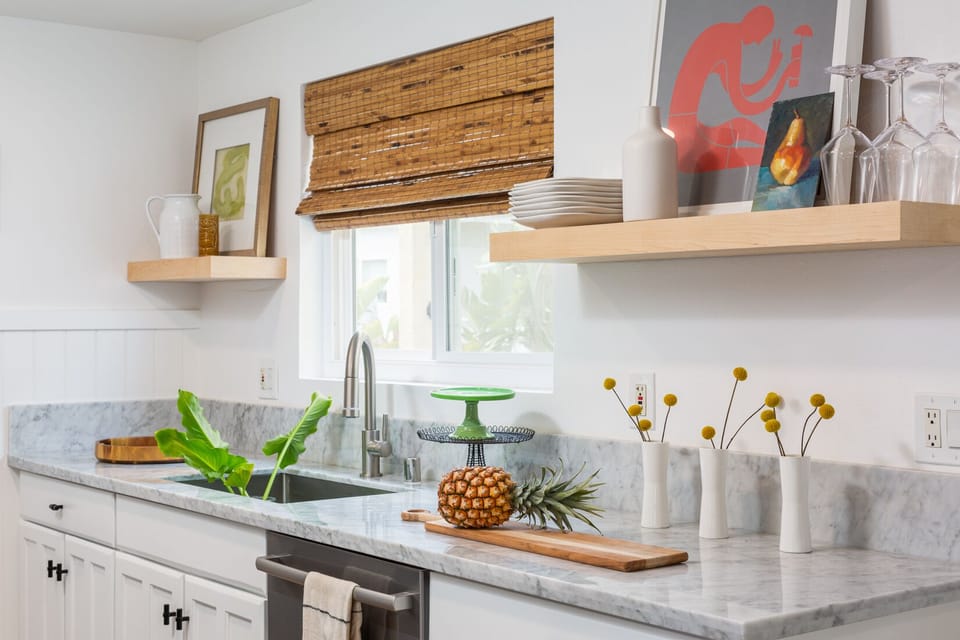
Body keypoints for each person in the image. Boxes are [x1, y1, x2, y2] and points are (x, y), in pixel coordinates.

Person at [667, 6, 812, 173]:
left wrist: (774, 70)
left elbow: (741, 89)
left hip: (685, 127)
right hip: (690, 132)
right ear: (753, 23)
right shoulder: (730, 39)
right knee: (761, 152)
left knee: (748, 131)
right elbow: (743, 104)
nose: (758, 41)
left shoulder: (723, 33)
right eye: (761, 35)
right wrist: (781, 79)